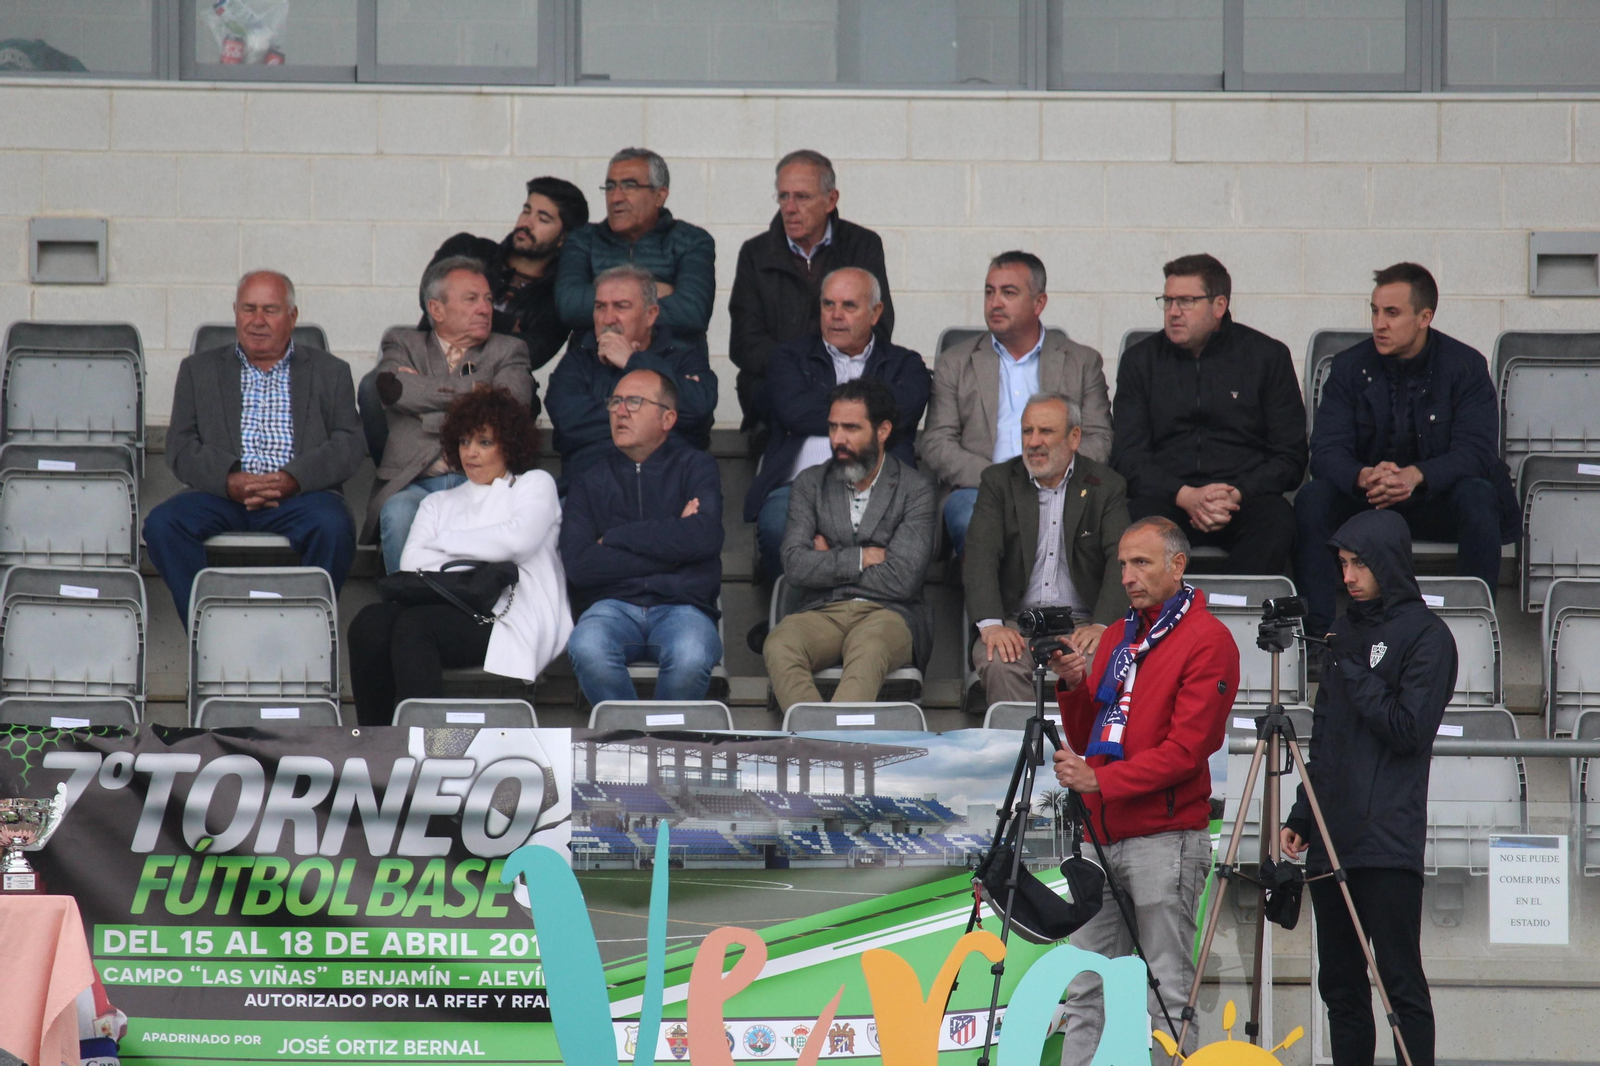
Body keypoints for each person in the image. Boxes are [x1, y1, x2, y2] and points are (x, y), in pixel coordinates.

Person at [1049, 516, 1239, 1066]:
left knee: (1167, 994)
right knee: (1086, 992)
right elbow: (1090, 735)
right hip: (1103, 837)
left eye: (1142, 563)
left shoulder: (1208, 639)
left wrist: (1099, 780)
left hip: (1165, 839)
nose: (1128, 576)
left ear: (1178, 566)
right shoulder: (1117, 634)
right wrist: (1072, 684)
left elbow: (1187, 751)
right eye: (1123, 563)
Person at [1281, 509, 1456, 1066]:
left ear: (1387, 562)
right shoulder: (1344, 628)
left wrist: (1353, 668)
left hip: (1387, 840)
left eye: (1359, 563)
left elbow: (1408, 729)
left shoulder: (1429, 636)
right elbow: (1327, 737)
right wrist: (1302, 816)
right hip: (1332, 837)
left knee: (1400, 985)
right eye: (1342, 564)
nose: (1349, 576)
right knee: (1339, 987)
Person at [1294, 262, 1518, 635]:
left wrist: (1417, 476)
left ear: (1424, 317)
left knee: (1479, 494)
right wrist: (1364, 476)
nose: (1379, 323)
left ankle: (1473, 630)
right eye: (1375, 311)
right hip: (1370, 502)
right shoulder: (1350, 367)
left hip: (1437, 501)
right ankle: (1318, 635)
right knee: (1313, 498)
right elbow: (1326, 450)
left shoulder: (1464, 367)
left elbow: (1477, 451)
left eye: (1392, 313)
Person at [144, 270, 365, 622]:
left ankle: (307, 631)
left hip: (300, 497)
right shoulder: (197, 370)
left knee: (334, 526)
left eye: (270, 310)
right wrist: (230, 479)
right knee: (162, 524)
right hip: (222, 496)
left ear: (292, 317)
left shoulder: (330, 371)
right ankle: (208, 631)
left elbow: (350, 444)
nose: (257, 321)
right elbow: (180, 446)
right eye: (248, 309)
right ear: (235, 312)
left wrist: (294, 477)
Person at [348, 387, 571, 725]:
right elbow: (411, 564)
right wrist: (483, 554)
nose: (471, 453)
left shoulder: (533, 485)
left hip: (507, 615)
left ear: (508, 445)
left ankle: (427, 746)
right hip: (444, 604)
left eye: (484, 442)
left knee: (415, 626)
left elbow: (517, 542)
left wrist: (446, 541)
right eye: (464, 442)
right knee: (369, 622)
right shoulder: (438, 502)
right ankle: (375, 743)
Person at [1111, 254, 1306, 575]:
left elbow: (1290, 455)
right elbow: (1128, 457)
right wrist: (1184, 494)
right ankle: (1161, 621)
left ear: (1219, 306)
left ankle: (1236, 615)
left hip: (1243, 498)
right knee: (1134, 525)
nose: (1173, 311)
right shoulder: (1141, 362)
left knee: (1277, 522)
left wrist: (1237, 492)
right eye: (1168, 300)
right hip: (1168, 498)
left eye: (1186, 301)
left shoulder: (1266, 357)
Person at [921, 251, 1112, 559]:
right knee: (978, 523)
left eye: (1008, 293)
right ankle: (991, 609)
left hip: (1062, 487)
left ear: (1039, 303)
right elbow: (936, 443)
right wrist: (1003, 479)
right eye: (989, 292)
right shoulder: (955, 363)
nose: (995, 302)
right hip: (980, 489)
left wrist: (1049, 476)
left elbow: (1099, 441)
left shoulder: (1081, 362)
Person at [743, 266, 929, 580]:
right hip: (798, 489)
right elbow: (793, 411)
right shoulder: (790, 358)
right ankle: (799, 612)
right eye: (828, 304)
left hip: (881, 490)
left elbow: (903, 412)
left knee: (899, 535)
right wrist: (866, 419)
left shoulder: (905, 365)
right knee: (778, 525)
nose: (835, 314)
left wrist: (817, 406)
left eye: (848, 306)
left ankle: (860, 610)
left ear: (875, 313)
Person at [763, 378, 936, 711]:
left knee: (869, 647)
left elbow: (903, 579)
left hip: (889, 614)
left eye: (851, 428)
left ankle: (824, 749)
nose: (837, 439)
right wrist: (862, 558)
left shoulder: (915, 489)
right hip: (822, 610)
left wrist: (828, 560)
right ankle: (820, 743)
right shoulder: (810, 483)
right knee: (781, 643)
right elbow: (796, 566)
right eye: (832, 427)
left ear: (882, 430)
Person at [561, 369, 724, 705]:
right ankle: (630, 740)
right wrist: (673, 546)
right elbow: (580, 565)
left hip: (684, 606)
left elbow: (704, 538)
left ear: (668, 418)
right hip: (610, 607)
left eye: (634, 402)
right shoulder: (588, 478)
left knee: (691, 656)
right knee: (587, 646)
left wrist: (617, 537)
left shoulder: (697, 467)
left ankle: (666, 743)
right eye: (615, 402)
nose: (620, 411)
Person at [367, 256, 534, 573]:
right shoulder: (403, 342)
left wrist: (424, 402)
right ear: (436, 309)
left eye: (487, 299)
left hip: (482, 481)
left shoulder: (509, 349)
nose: (485, 309)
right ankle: (406, 609)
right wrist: (476, 392)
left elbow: (510, 404)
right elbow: (393, 390)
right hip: (413, 481)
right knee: (398, 512)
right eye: (471, 299)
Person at [962, 394, 1130, 706]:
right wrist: (991, 625)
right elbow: (980, 555)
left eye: (1046, 432)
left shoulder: (1105, 485)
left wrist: (1102, 625)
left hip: (1082, 624)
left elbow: (1120, 559)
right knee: (1000, 662)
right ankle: (1016, 752)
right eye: (1027, 431)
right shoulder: (998, 482)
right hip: (1017, 622)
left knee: (1103, 662)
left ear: (1074, 437)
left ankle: (1084, 754)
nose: (1034, 442)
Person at [728, 149, 895, 428]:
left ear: (831, 200)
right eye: (783, 196)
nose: (789, 207)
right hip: (776, 403)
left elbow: (877, 326)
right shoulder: (755, 253)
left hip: (849, 393)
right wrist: (800, 372)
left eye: (802, 197)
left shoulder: (862, 245)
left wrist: (824, 376)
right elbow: (745, 343)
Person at [546, 264, 717, 486]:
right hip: (591, 483)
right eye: (600, 307)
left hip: (667, 483)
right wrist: (651, 417)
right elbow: (568, 422)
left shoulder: (683, 357)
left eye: (621, 307)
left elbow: (699, 408)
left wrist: (633, 362)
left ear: (650, 315)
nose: (607, 319)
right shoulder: (578, 361)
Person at [555, 147, 715, 362]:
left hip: (671, 368)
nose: (615, 198)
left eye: (629, 186)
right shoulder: (583, 240)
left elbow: (692, 312)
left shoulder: (692, 240)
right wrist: (650, 294)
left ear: (659, 196)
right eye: (610, 187)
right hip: (591, 367)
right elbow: (570, 307)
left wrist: (605, 305)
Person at [424, 175, 590, 370]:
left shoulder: (556, 298)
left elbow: (530, 354)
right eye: (526, 211)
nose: (527, 223)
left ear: (564, 238)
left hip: (494, 391)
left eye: (543, 219)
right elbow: (430, 296)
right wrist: (507, 323)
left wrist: (461, 317)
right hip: (428, 368)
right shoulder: (468, 249)